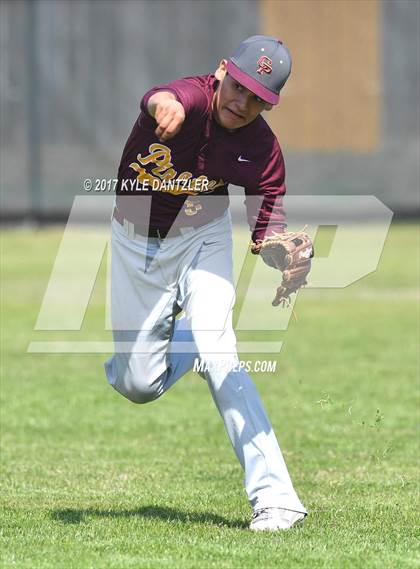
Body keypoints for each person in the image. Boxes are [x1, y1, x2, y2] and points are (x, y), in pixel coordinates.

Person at [104, 35, 308, 531]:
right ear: (222, 72)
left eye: (259, 97)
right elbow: (162, 95)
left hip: (203, 235)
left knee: (222, 355)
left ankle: (278, 500)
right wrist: (164, 104)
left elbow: (268, 222)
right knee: (136, 384)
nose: (243, 102)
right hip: (138, 243)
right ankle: (190, 339)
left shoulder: (261, 147)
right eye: (239, 86)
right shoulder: (190, 99)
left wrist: (280, 249)